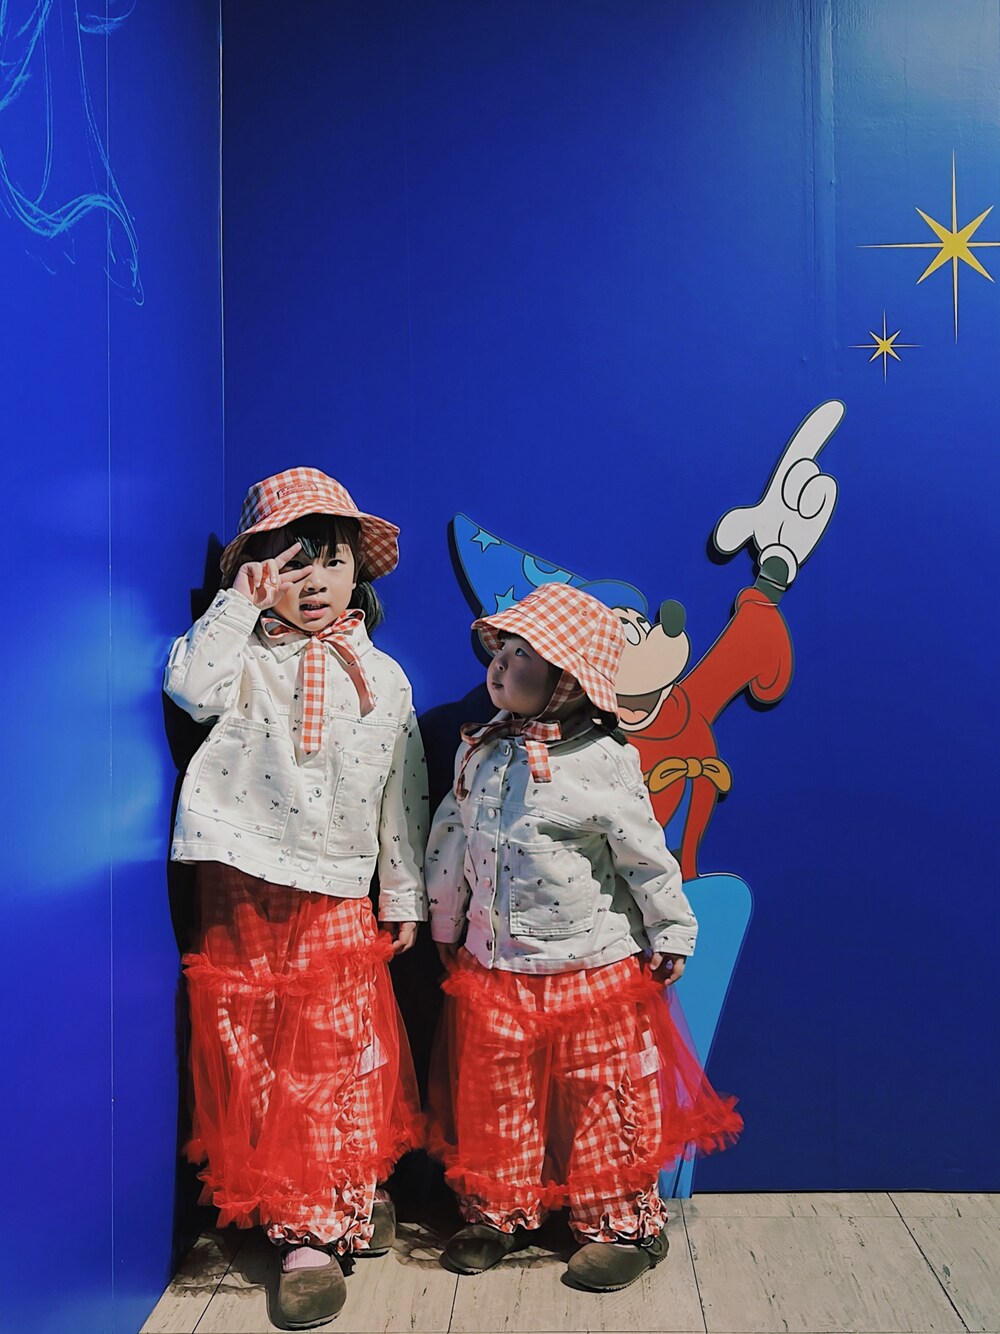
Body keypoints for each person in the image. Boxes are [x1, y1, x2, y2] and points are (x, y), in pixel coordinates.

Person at [166, 468, 428, 1329]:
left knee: (335, 1055)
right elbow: (188, 689)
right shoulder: (242, 652)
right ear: (260, 571)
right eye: (292, 562)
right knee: (250, 1052)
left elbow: (402, 791)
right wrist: (239, 603)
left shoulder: (384, 676)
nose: (315, 581)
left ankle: (329, 1212)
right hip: (243, 876)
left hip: (337, 886)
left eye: (333, 561)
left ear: (359, 573)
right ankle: (308, 1212)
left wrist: (403, 892)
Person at [425, 582, 741, 1292]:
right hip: (495, 967)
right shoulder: (479, 751)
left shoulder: (604, 759)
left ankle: (618, 1222)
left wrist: (671, 927)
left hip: (591, 967)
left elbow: (644, 854)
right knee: (497, 1093)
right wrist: (445, 916)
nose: (501, 666)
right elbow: (450, 837)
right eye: (501, 650)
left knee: (601, 1094)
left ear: (568, 680)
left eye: (524, 656)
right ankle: (498, 1210)